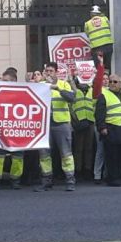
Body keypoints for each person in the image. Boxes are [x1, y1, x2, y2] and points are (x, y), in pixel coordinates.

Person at [37, 63, 78, 192]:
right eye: (47, 71)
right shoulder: (40, 85)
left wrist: (57, 88)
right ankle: (46, 181)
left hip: (61, 123)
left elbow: (71, 98)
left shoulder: (63, 84)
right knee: (44, 155)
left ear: (56, 72)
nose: (49, 73)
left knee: (66, 154)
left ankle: (70, 180)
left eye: (51, 71)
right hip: (44, 124)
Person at [0, 69, 25, 191]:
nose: (3, 83)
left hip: (18, 129)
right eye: (2, 80)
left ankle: (16, 180)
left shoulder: (22, 92)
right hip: (2, 128)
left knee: (18, 156)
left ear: (14, 81)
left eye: (6, 81)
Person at [96, 72, 121, 187]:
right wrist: (102, 128)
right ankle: (112, 178)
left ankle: (118, 176)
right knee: (112, 156)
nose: (112, 84)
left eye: (115, 82)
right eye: (110, 81)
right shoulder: (104, 95)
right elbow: (99, 113)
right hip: (111, 129)